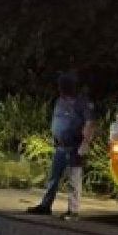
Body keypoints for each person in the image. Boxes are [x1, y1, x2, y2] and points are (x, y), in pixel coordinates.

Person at [28, 73, 96, 220]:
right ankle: (45, 206)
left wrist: (85, 143)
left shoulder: (82, 103)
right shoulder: (60, 101)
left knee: (74, 179)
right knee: (53, 178)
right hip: (60, 146)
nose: (60, 88)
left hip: (75, 146)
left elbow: (90, 123)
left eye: (63, 85)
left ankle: (73, 211)